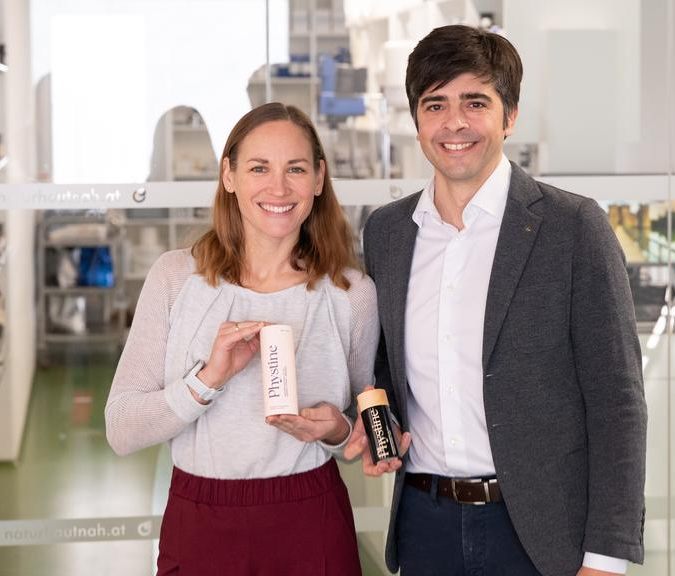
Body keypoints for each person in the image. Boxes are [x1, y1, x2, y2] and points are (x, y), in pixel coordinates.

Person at [345, 24, 647, 576]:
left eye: (475, 102)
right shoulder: (388, 232)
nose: (454, 122)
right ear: (416, 120)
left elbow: (617, 402)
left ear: (510, 116)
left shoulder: (573, 227)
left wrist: (607, 557)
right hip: (424, 525)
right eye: (435, 104)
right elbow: (388, 368)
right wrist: (371, 423)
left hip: (539, 534)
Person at [106, 102, 378, 576]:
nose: (279, 187)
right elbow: (121, 429)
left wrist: (337, 429)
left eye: (296, 169)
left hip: (310, 516)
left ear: (319, 178)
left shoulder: (351, 294)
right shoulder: (175, 278)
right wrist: (206, 381)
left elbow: (364, 426)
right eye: (259, 168)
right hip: (201, 517)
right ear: (228, 175)